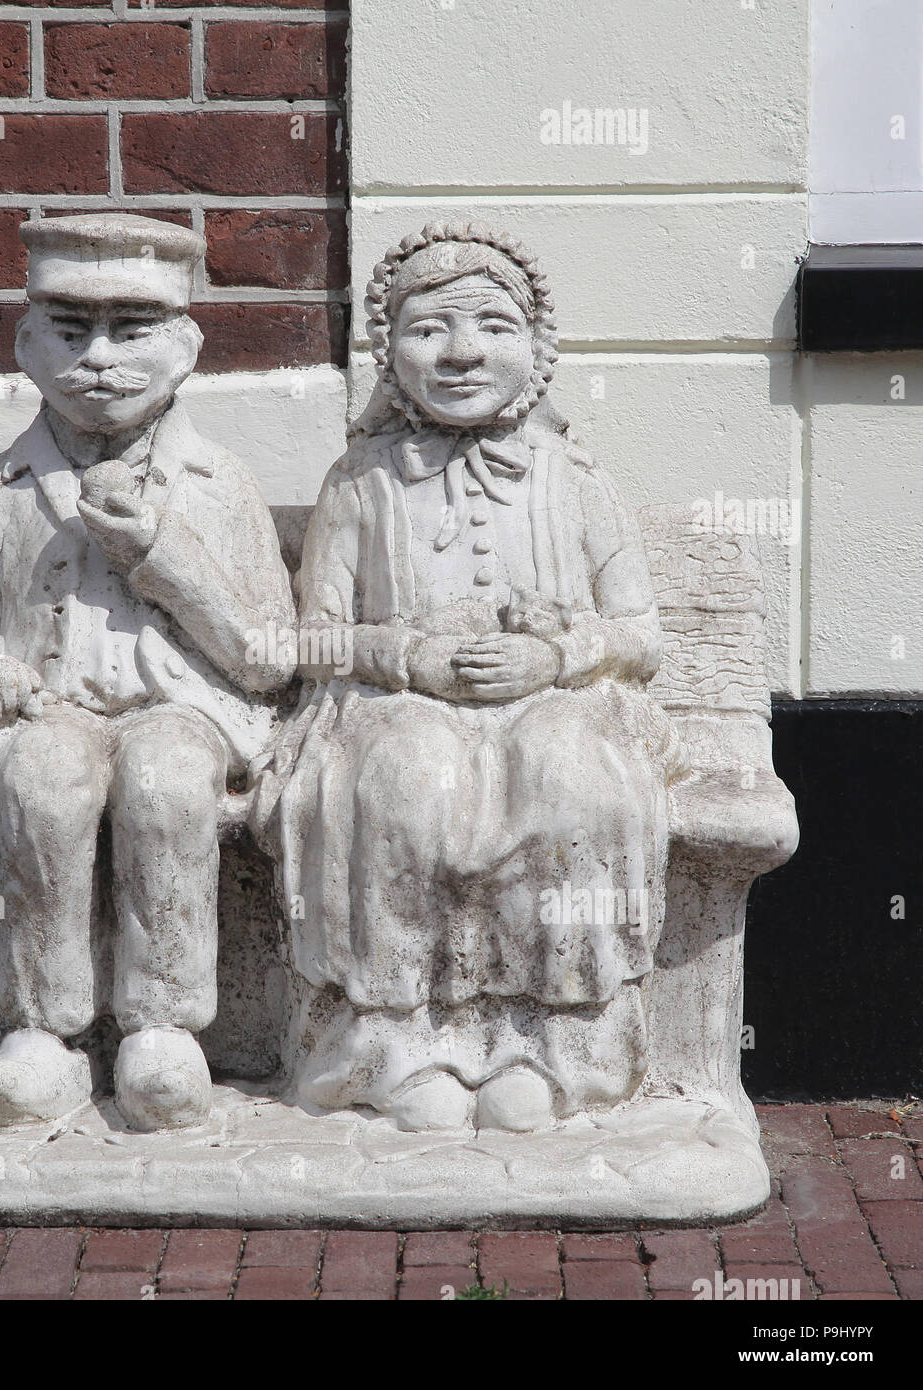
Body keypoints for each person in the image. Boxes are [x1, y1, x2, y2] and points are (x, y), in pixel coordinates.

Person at [256, 222, 685, 1132]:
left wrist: (558, 655)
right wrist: (408, 657)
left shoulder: (575, 478)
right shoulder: (361, 482)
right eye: (427, 329)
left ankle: (559, 1040)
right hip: (396, 703)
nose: (461, 353)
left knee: (570, 782)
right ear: (388, 349)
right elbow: (314, 638)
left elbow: (641, 632)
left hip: (560, 698)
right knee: (405, 784)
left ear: (537, 348)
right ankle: (398, 1044)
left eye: (493, 324)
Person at [0, 214, 295, 1131]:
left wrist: (160, 557)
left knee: (166, 784)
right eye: (68, 328)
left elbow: (269, 658)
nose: (98, 358)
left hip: (185, 715)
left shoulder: (219, 483)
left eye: (131, 332)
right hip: (53, 714)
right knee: (43, 781)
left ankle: (163, 1027)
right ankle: (43, 1031)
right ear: (23, 343)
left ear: (185, 348)